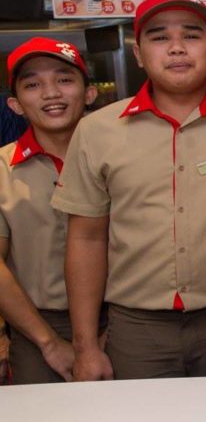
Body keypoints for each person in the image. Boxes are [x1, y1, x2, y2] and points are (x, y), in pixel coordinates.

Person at [51, 0, 206, 381]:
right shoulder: (97, 130)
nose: (176, 48)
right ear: (138, 53)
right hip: (137, 333)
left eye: (191, 35)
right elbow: (86, 239)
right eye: (159, 37)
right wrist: (86, 347)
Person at [0, 38, 97, 383]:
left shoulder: (119, 160)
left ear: (89, 94)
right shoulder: (2, 168)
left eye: (64, 79)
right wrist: (49, 342)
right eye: (32, 85)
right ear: (15, 104)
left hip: (122, 320)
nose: (50, 93)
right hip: (35, 325)